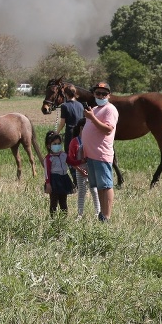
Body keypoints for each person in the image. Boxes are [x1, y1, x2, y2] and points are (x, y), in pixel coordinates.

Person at [82, 82, 119, 222]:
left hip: (101, 153)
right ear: (94, 94)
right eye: (98, 93)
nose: (101, 96)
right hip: (91, 154)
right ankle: (102, 215)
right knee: (100, 187)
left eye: (104, 93)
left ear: (109, 95)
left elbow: (108, 129)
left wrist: (92, 117)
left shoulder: (110, 109)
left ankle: (107, 216)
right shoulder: (96, 109)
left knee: (106, 185)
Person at [66, 118, 101, 219]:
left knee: (94, 190)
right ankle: (80, 214)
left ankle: (98, 212)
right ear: (81, 128)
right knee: (81, 192)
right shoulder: (74, 142)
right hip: (79, 170)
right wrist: (80, 170)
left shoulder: (91, 140)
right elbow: (71, 159)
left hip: (91, 169)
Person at [56, 84, 83, 184]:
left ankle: (75, 180)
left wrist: (56, 133)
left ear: (65, 94)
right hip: (81, 134)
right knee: (79, 156)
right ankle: (81, 178)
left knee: (70, 157)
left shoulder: (64, 106)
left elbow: (62, 123)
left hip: (70, 134)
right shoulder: (80, 105)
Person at [43, 131, 73, 216]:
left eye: (59, 143)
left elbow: (71, 162)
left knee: (63, 201)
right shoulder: (48, 158)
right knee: (53, 202)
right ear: (49, 146)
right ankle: (53, 219)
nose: (57, 146)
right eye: (54, 144)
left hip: (64, 179)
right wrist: (48, 184)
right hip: (54, 181)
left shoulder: (64, 155)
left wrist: (81, 161)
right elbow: (47, 172)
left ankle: (64, 220)